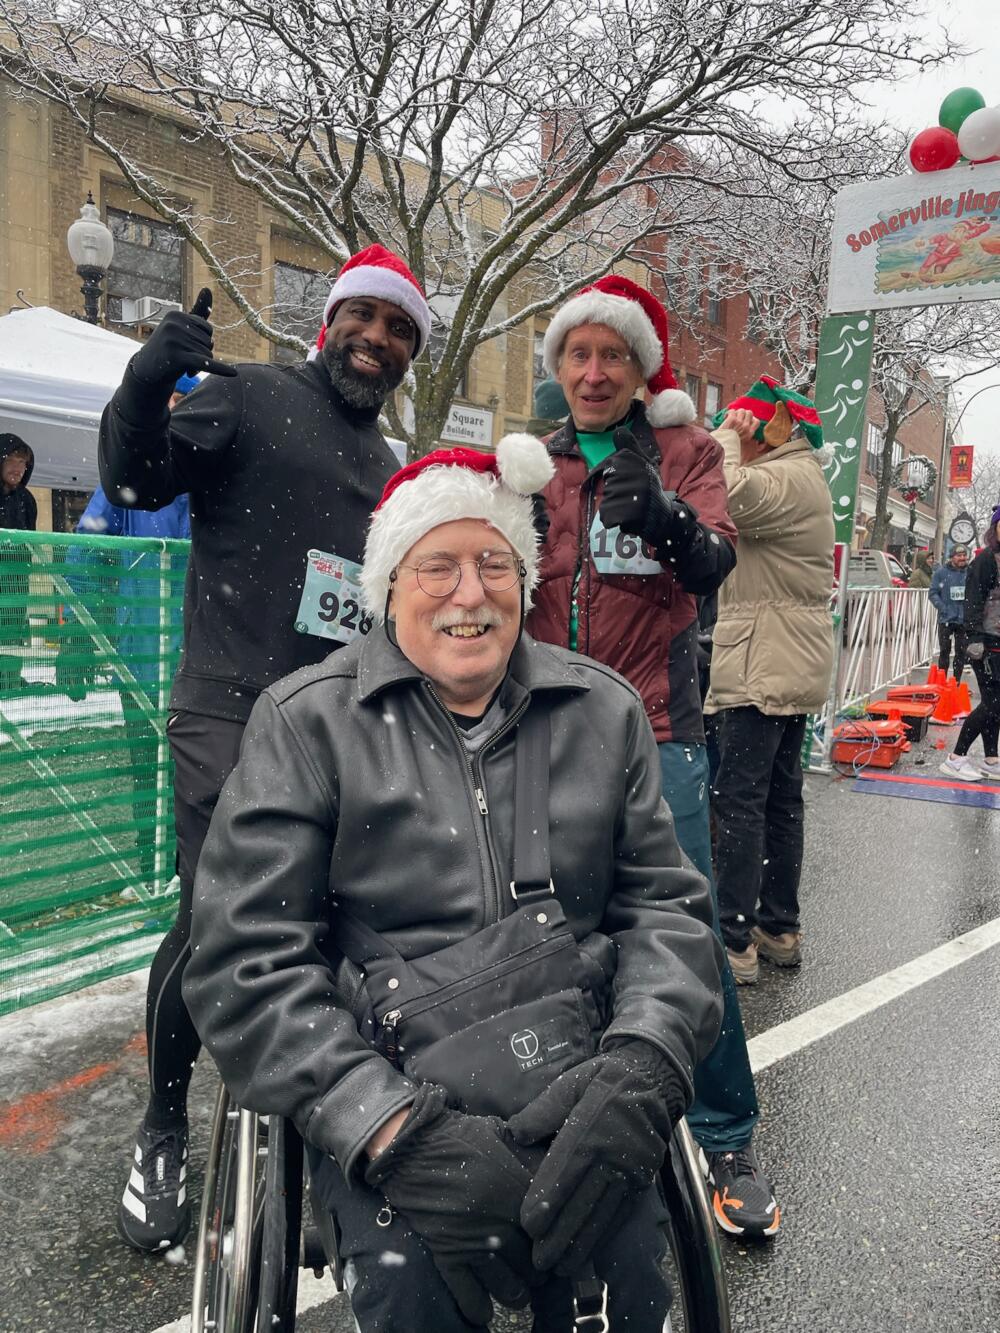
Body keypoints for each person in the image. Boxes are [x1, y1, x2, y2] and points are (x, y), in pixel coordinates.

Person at [183, 438, 724, 1333]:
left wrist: (644, 1064)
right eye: (437, 565)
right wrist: (394, 1131)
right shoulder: (307, 724)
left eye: (493, 564)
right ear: (389, 585)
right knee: (413, 1293)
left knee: (625, 1277)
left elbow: (665, 909)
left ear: (525, 578)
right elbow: (247, 959)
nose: (469, 594)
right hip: (390, 1082)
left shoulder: (603, 711)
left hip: (581, 1077)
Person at [100, 249, 431, 1252]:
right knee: (222, 926)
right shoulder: (246, 398)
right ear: (328, 322)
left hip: (333, 732)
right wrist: (146, 380)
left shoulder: (388, 472)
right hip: (225, 714)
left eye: (399, 330)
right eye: (362, 319)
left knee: (323, 935)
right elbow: (133, 472)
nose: (377, 341)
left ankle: (302, 1141)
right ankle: (163, 1127)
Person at [525, 275, 780, 1239]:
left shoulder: (686, 449)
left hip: (658, 729)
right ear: (558, 367)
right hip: (539, 729)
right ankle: (570, 1114)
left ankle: (726, 1135)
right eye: (577, 355)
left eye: (613, 355)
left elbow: (715, 564)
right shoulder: (530, 463)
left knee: (688, 932)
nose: (594, 372)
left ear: (641, 369)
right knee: (548, 932)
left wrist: (662, 517)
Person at [706, 376, 834, 985]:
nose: (739, 436)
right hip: (783, 655)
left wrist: (726, 439)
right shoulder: (803, 478)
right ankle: (777, 926)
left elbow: (724, 494)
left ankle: (732, 939)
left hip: (765, 658)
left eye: (747, 427)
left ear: (769, 430)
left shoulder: (788, 477)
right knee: (779, 798)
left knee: (740, 799)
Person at [61, 376, 197, 882]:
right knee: (157, 777)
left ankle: (182, 883)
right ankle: (157, 875)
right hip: (146, 660)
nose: (176, 410)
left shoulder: (215, 476)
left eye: (184, 400)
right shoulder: (130, 476)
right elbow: (85, 554)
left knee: (195, 780)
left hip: (203, 668)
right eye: (170, 399)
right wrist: (87, 634)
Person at [940, 511, 1000, 782]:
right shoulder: (986, 560)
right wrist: (975, 639)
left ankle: (991, 759)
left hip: (996, 641)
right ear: (994, 528)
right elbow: (973, 600)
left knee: (994, 704)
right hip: (984, 644)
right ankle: (956, 758)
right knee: (993, 703)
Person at [0, 435, 37, 693]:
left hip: (16, 582)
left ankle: (9, 680)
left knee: (13, 632)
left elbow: (31, 543)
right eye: (11, 460)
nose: (17, 467)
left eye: (22, 462)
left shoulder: (27, 500)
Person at [929, 544, 969, 682]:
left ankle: (956, 682)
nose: (962, 558)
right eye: (959, 556)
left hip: (964, 619)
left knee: (961, 653)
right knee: (944, 652)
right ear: (952, 557)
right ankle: (941, 681)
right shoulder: (941, 573)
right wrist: (943, 607)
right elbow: (933, 593)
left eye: (964, 555)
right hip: (946, 619)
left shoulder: (970, 573)